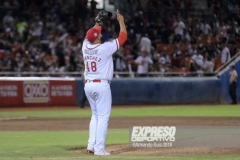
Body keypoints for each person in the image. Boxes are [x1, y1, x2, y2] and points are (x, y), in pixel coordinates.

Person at [82, 9, 127, 156]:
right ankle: (99, 149)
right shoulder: (104, 48)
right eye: (99, 34)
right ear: (96, 38)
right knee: (102, 117)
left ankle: (91, 145)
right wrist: (121, 22)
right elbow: (122, 38)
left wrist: (98, 22)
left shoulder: (85, 47)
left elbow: (90, 34)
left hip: (88, 85)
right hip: (101, 85)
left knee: (95, 115)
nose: (101, 34)